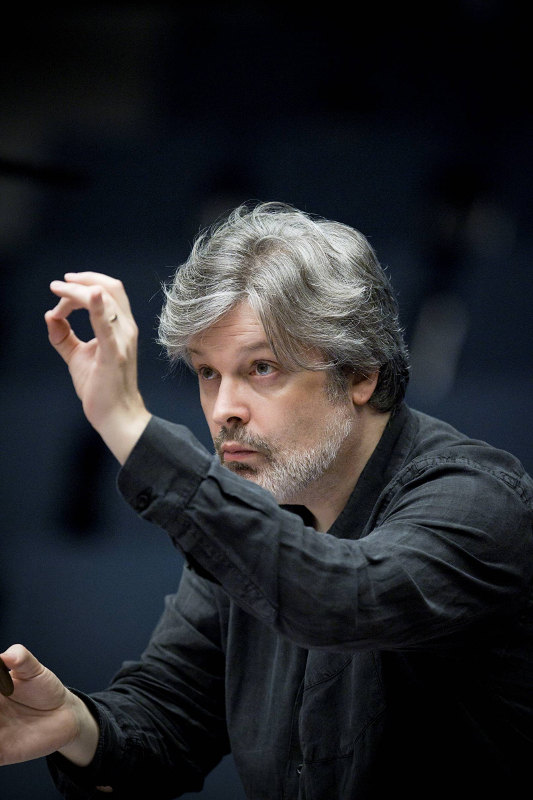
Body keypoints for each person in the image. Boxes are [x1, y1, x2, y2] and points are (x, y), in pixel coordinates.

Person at [0, 201, 532, 799]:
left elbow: (340, 599)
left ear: (360, 374)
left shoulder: (478, 501)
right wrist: (71, 723)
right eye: (206, 372)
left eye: (261, 368)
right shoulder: (254, 516)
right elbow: (167, 723)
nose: (224, 407)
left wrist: (127, 424)